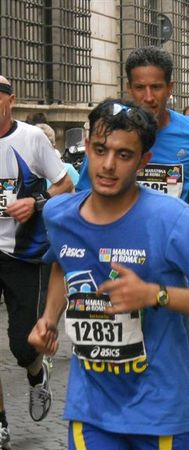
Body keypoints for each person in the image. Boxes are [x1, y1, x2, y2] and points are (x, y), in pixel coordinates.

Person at [27, 99, 189, 449]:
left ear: (143, 161)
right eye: (100, 150)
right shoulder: (59, 214)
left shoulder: (172, 219)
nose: (108, 165)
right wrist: (49, 319)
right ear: (88, 149)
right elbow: (61, 263)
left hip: (158, 413)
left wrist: (155, 295)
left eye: (124, 155)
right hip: (90, 411)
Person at [77, 46, 189, 249]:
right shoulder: (110, 132)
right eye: (140, 88)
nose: (148, 97)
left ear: (170, 87)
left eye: (156, 87)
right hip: (117, 247)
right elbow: (84, 190)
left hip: (172, 248)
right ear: (129, 88)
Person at [0, 76, 73, 450]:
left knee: (22, 346)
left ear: (10, 100)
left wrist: (36, 201)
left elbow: (65, 185)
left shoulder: (31, 139)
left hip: (24, 255)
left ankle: (35, 372)